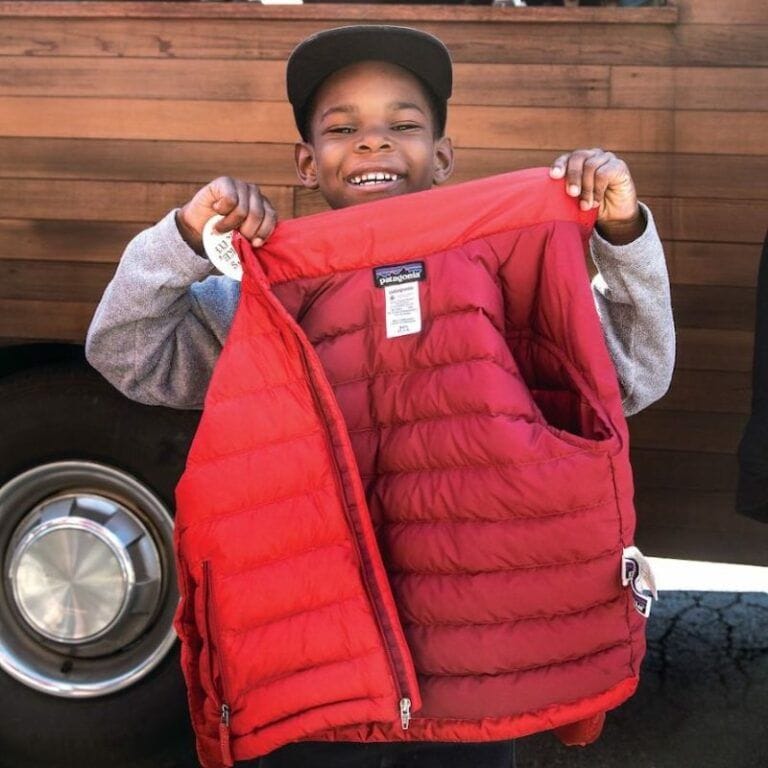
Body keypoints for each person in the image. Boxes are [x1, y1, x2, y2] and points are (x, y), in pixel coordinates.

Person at [86, 25, 674, 768]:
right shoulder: (258, 303)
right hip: (318, 680)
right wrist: (182, 235)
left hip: (480, 679)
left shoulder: (508, 285)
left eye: (403, 126)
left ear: (445, 156)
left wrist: (622, 235)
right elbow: (124, 352)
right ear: (307, 163)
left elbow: (635, 377)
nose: (372, 144)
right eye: (342, 129)